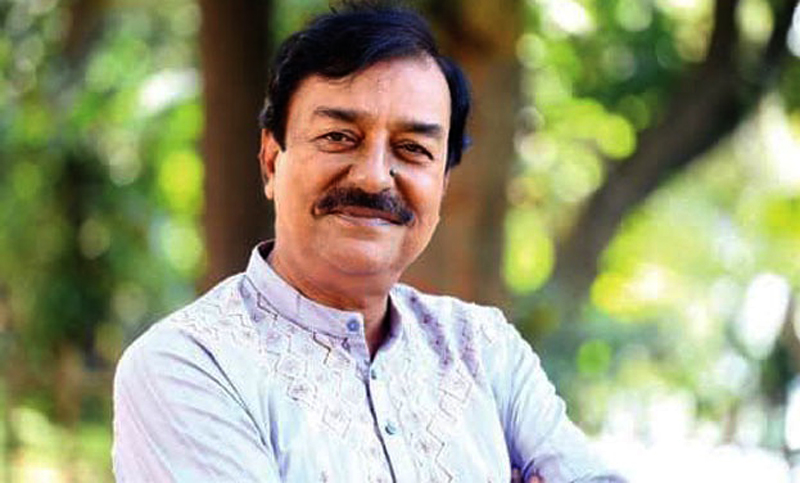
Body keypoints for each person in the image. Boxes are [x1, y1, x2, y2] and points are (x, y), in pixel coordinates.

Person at [112, 3, 624, 482]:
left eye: (412, 148)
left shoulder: (484, 348)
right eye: (338, 137)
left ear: (443, 184)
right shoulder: (190, 364)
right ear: (271, 161)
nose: (375, 176)